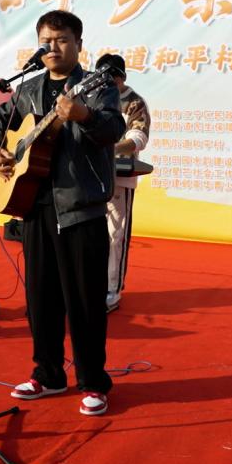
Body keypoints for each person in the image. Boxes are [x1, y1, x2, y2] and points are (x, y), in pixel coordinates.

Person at [0, 10, 126, 417]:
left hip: (80, 208)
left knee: (85, 302)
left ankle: (93, 382)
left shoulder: (96, 86)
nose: (53, 47)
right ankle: (48, 374)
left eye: (62, 39)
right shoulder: (28, 90)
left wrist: (83, 115)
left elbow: (112, 129)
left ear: (78, 44)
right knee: (40, 299)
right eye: (46, 40)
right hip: (34, 206)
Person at [94, 54, 151, 314]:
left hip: (119, 177)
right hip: (90, 176)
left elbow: (139, 137)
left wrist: (110, 149)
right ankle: (90, 285)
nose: (106, 83)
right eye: (102, 78)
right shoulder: (91, 97)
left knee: (114, 235)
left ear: (122, 77)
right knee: (89, 234)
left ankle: (111, 290)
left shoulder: (133, 102)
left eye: (112, 79)